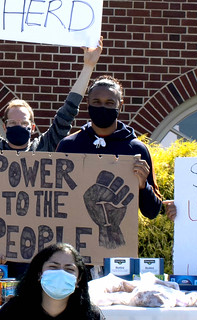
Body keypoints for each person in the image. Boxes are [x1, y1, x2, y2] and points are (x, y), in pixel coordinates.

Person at [55, 76, 168, 221]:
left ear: (120, 105)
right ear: (87, 103)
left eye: (109, 103)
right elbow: (55, 200)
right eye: (97, 102)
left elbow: (152, 212)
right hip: (75, 238)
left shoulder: (136, 149)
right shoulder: (69, 146)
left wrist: (142, 186)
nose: (102, 107)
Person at [0, 33, 102, 151]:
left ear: (33, 127)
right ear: (4, 127)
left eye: (24, 123)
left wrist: (88, 66)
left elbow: (68, 112)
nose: (19, 127)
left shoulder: (43, 148)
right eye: (13, 123)